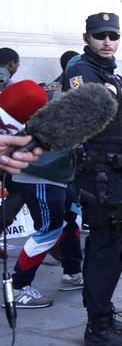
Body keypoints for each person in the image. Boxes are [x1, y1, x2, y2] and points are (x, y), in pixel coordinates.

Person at [63, 12, 122, 346]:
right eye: (100, 36)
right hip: (98, 173)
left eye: (112, 35)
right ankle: (97, 327)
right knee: (104, 246)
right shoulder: (81, 72)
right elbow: (83, 115)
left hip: (115, 172)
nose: (107, 41)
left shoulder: (112, 75)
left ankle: (104, 315)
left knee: (111, 244)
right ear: (87, 37)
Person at [0, 80, 83, 309]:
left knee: (71, 219)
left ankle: (72, 272)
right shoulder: (36, 98)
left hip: (60, 175)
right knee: (49, 229)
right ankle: (19, 287)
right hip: (40, 176)